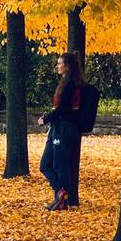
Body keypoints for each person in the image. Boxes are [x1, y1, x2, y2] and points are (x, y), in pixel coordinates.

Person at [38, 52, 84, 211]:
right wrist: (50, 117)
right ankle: (60, 193)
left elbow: (64, 109)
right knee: (45, 164)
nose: (57, 66)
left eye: (59, 63)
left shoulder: (71, 84)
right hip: (57, 127)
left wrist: (46, 119)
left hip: (64, 128)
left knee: (60, 164)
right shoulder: (65, 83)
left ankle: (62, 198)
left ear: (67, 66)